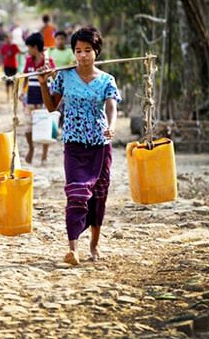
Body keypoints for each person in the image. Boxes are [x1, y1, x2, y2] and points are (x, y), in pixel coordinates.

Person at [37, 26, 120, 266]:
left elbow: (112, 105)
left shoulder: (106, 80)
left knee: (98, 195)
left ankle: (94, 245)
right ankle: (73, 248)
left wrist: (112, 126)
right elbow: (52, 107)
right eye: (78, 50)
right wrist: (44, 82)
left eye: (87, 50)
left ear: (96, 52)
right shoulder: (64, 76)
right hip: (73, 143)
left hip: (99, 145)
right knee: (75, 193)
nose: (82, 55)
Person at [21, 32, 55, 165]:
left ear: (35, 47)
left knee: (45, 126)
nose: (28, 51)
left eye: (29, 47)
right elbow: (25, 77)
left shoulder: (48, 61)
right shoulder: (28, 61)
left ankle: (44, 156)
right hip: (30, 99)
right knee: (28, 127)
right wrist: (22, 92)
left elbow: (54, 78)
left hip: (44, 99)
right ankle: (31, 148)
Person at [0, 33, 21, 101]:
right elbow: (1, 55)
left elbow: (19, 52)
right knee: (7, 81)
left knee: (13, 81)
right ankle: (7, 97)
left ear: (11, 38)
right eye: (6, 38)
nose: (8, 39)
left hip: (14, 66)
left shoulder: (14, 46)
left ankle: (13, 95)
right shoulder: (4, 47)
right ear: (5, 39)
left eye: (9, 38)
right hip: (6, 66)